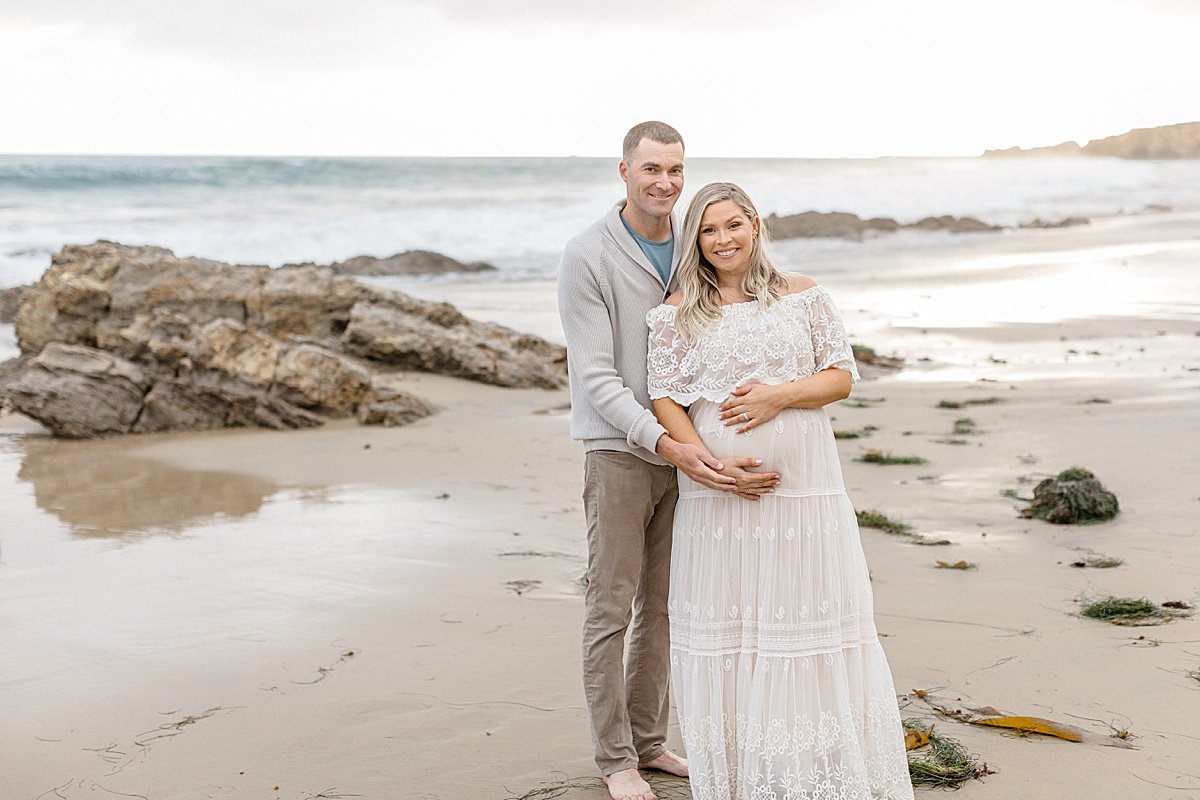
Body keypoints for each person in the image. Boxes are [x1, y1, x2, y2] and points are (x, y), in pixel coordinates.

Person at [646, 182, 914, 799]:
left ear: (756, 224)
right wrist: (711, 464)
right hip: (719, 492)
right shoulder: (679, 309)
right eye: (709, 231)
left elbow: (841, 377)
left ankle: (815, 771)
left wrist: (777, 394)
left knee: (806, 617)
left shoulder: (804, 294)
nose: (724, 241)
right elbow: (665, 397)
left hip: (807, 492)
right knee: (736, 623)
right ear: (695, 240)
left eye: (734, 225)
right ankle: (744, 777)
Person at [558, 125, 780, 800]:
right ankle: (615, 757)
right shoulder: (587, 255)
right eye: (651, 168)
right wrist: (666, 442)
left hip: (687, 448)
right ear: (624, 170)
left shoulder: (692, 243)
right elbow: (596, 377)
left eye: (675, 169)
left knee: (663, 606)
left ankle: (651, 742)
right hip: (620, 451)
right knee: (611, 607)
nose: (665, 182)